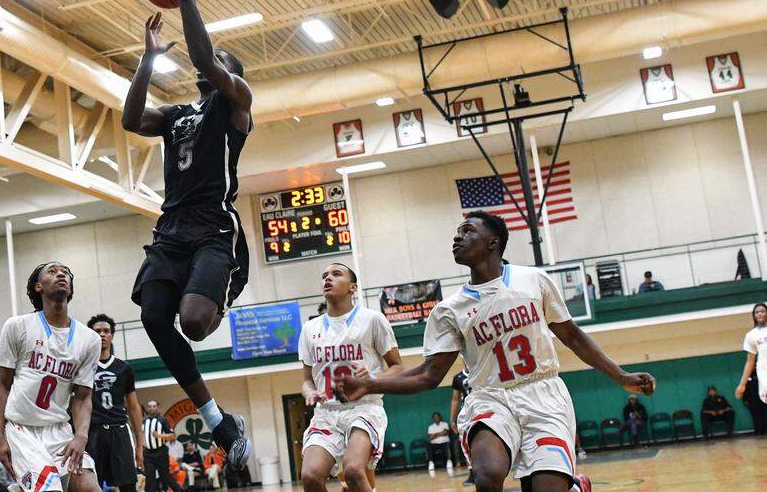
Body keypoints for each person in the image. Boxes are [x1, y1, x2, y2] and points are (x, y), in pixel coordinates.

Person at [336, 211, 657, 492]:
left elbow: (572, 335)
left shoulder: (533, 280)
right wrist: (371, 384)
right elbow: (427, 374)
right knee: (488, 477)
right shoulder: (449, 310)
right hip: (490, 398)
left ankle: (573, 485)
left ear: (493, 242)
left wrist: (621, 375)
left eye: (467, 232)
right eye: (457, 233)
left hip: (543, 395)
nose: (457, 238)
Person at [122, 0, 255, 472]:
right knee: (155, 318)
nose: (211, 62)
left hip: (213, 227)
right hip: (171, 227)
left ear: (231, 76)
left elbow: (204, 59)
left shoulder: (237, 103)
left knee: (194, 322)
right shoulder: (178, 113)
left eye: (222, 60)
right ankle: (220, 420)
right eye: (212, 59)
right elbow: (132, 119)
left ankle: (220, 288)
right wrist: (147, 60)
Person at [0, 262, 102, 492]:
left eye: (66, 273)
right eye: (52, 271)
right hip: (22, 431)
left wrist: (81, 435)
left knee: (90, 487)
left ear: (70, 289)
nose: (61, 274)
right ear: (38, 287)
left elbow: (82, 398)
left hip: (59, 430)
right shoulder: (17, 326)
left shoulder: (90, 339)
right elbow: (2, 385)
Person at [298, 263, 401, 492]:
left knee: (354, 471)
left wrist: (372, 379)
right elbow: (306, 379)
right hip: (326, 413)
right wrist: (310, 392)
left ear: (353, 287)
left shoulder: (372, 319)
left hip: (364, 408)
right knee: (310, 476)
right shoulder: (309, 329)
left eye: (336, 274)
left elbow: (397, 367)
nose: (328, 278)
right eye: (324, 275)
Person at [85, 314, 143, 492]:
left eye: (106, 331)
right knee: (91, 485)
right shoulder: (84, 367)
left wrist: (140, 445)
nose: (102, 334)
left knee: (128, 486)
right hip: (93, 431)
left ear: (112, 336)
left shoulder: (124, 368)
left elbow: (133, 407)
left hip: (119, 430)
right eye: (97, 331)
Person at [735, 302, 767, 434]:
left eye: (762, 311)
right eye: (756, 312)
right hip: (763, 371)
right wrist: (742, 385)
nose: (759, 313)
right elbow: (750, 361)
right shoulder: (751, 335)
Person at [141, 401, 182, 492]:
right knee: (149, 478)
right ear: (148, 408)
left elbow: (172, 436)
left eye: (154, 406)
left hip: (160, 452)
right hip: (148, 453)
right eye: (150, 406)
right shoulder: (144, 420)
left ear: (157, 408)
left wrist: (159, 435)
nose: (152, 408)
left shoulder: (162, 420)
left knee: (165, 477)